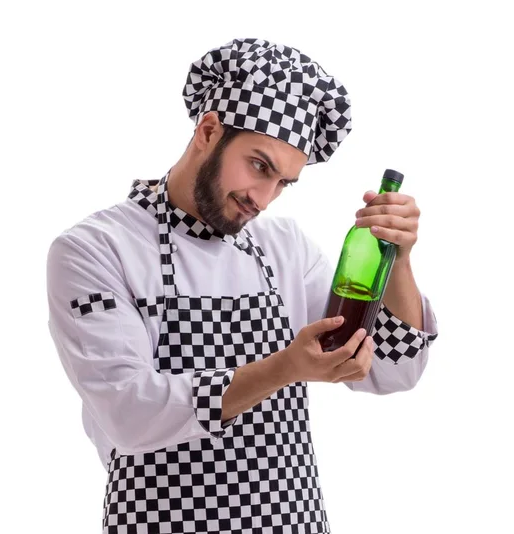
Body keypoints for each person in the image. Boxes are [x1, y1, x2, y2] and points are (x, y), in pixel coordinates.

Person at [46, 37, 439, 534]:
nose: (264, 198)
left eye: (284, 183)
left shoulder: (285, 247)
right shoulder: (95, 249)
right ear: (208, 130)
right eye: (259, 166)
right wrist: (285, 367)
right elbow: (130, 411)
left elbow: (390, 370)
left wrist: (397, 259)